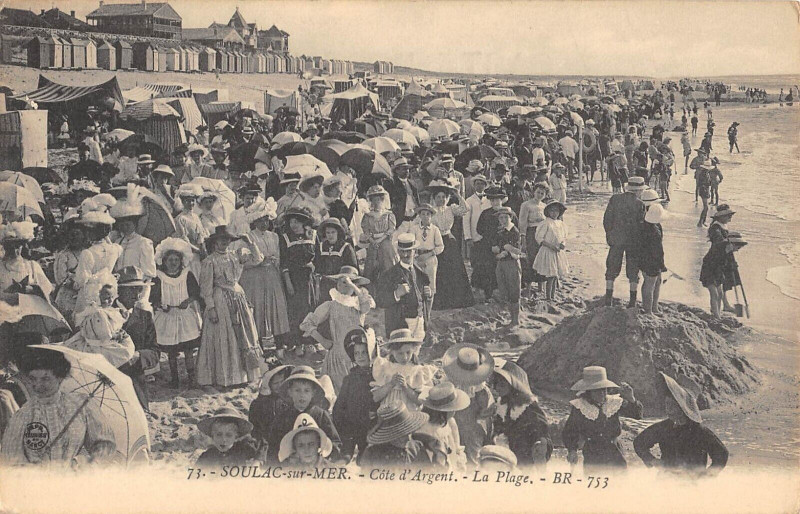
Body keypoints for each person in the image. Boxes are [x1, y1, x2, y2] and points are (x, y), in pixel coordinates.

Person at [1, 347, 116, 467]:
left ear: (60, 377)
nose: (38, 385)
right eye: (33, 379)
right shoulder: (23, 415)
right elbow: (10, 459)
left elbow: (105, 445)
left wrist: (80, 464)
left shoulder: (81, 405)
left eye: (45, 379)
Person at [196, 225, 263, 389]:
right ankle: (225, 377)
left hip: (238, 296)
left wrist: (250, 242)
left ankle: (244, 374)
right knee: (224, 336)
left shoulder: (236, 256)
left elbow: (258, 259)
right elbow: (206, 288)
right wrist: (211, 308)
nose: (224, 243)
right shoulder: (209, 261)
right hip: (220, 299)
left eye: (227, 240)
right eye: (221, 240)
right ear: (215, 242)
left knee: (244, 334)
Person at [634, 372, 728, 475]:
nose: (667, 409)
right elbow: (639, 442)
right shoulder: (664, 427)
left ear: (683, 408)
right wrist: (652, 460)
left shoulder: (699, 431)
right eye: (666, 404)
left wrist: (706, 476)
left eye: (671, 405)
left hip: (692, 483)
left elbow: (722, 454)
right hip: (666, 480)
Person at [300, 266, 375, 393]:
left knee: (359, 391)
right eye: (341, 282)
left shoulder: (358, 304)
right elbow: (306, 323)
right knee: (339, 392)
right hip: (337, 356)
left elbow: (366, 306)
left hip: (358, 354)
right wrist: (322, 340)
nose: (344, 286)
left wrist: (352, 284)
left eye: (348, 283)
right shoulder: (331, 305)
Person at [231, 198, 289, 349]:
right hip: (254, 277)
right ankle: (258, 341)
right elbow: (242, 260)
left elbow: (278, 256)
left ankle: (277, 341)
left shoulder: (274, 236)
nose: (264, 223)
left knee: (274, 305)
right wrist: (257, 262)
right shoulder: (248, 237)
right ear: (254, 222)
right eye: (260, 220)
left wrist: (273, 261)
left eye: (266, 220)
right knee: (257, 306)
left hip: (271, 275)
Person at [563, 366, 642, 472]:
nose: (602, 394)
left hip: (615, 453)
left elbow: (637, 415)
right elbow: (570, 431)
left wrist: (631, 398)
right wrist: (572, 450)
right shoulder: (580, 406)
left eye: (604, 390)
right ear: (589, 392)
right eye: (597, 391)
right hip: (592, 455)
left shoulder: (614, 402)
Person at [150, 238, 202, 388]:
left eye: (176, 260)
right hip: (167, 316)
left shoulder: (187, 274)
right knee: (171, 351)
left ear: (181, 261)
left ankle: (191, 377)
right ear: (164, 261)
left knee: (188, 349)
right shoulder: (159, 277)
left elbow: (196, 293)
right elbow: (153, 298)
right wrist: (160, 305)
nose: (173, 263)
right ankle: (175, 379)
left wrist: (188, 301)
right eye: (170, 260)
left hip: (184, 316)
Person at [266, 366, 341, 463]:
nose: (302, 395)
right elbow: (273, 447)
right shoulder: (282, 418)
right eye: (297, 390)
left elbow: (335, 443)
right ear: (290, 392)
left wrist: (322, 453)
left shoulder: (320, 415)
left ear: (313, 393)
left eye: (306, 391)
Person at [63, 270, 135, 368]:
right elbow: (104, 334)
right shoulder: (97, 314)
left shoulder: (107, 310)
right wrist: (116, 335)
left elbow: (114, 324)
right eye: (106, 298)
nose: (110, 301)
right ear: (96, 296)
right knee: (122, 352)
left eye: (111, 297)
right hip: (97, 345)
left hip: (103, 341)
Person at [490, 360, 552, 468]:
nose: (497, 388)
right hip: (509, 452)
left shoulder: (528, 407)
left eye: (502, 385)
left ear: (513, 386)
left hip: (525, 456)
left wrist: (538, 444)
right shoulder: (502, 404)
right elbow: (500, 425)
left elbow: (542, 431)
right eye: (496, 384)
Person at [442, 344, 495, 465]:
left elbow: (486, 408)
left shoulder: (479, 386)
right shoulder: (449, 381)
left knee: (473, 451)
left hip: (472, 421)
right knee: (454, 448)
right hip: (453, 417)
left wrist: (481, 415)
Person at [331, 327, 379, 463]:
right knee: (346, 452)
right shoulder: (350, 378)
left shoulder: (377, 376)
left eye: (364, 352)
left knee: (367, 457)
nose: (360, 356)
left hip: (372, 426)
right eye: (357, 353)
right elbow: (340, 406)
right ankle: (347, 453)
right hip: (353, 424)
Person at [427, 180, 474, 310]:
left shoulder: (451, 208)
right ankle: (441, 302)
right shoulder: (430, 211)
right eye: (438, 197)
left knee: (454, 270)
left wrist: (458, 194)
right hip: (436, 241)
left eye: (443, 197)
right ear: (434, 198)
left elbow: (466, 209)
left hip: (449, 240)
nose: (441, 200)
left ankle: (457, 301)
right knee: (440, 270)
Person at [375, 234, 432, 340]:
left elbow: (420, 298)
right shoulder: (389, 275)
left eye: (409, 251)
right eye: (402, 251)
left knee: (416, 352)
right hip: (400, 324)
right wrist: (396, 294)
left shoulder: (420, 273)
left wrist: (427, 294)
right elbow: (380, 300)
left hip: (419, 321)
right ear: (398, 251)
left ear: (415, 251)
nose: (405, 255)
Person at [72, 197, 123, 314]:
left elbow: (81, 281)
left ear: (91, 233)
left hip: (90, 295)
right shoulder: (115, 249)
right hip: (109, 292)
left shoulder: (88, 253)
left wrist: (73, 283)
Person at [278, 208, 317, 358]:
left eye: (297, 221)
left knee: (310, 308)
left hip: (310, 279)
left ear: (303, 222)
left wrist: (314, 267)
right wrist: (288, 282)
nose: (294, 225)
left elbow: (317, 257)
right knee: (295, 309)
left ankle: (309, 341)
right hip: (294, 278)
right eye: (291, 222)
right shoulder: (286, 238)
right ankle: (297, 342)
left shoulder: (312, 235)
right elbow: (284, 262)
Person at [602, 176, 646, 307]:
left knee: (611, 268)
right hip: (633, 242)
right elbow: (641, 226)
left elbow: (606, 220)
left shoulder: (615, 199)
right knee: (633, 271)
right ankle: (632, 301)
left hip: (616, 239)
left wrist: (610, 235)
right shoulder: (640, 204)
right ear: (638, 190)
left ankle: (608, 298)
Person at [359, 400, 435, 469]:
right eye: (402, 435)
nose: (408, 439)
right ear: (389, 435)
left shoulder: (416, 448)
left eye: (409, 432)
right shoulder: (372, 454)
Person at [371, 328, 434, 410]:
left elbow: (420, 401)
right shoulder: (384, 367)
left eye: (408, 352)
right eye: (399, 353)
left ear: (413, 350)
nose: (404, 357)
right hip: (389, 414)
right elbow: (375, 397)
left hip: (410, 414)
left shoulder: (418, 371)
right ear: (392, 352)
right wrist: (391, 384)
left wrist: (405, 386)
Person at [417, 381, 469, 470]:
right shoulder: (435, 433)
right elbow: (439, 460)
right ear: (446, 412)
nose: (455, 411)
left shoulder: (447, 423)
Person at [110, 184, 156, 281]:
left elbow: (149, 272)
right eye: (122, 225)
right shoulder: (117, 242)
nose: (124, 227)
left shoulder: (143, 242)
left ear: (135, 224)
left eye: (128, 224)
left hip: (137, 285)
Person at [402, 203, 444, 308]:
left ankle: (428, 313)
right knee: (416, 283)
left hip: (430, 259)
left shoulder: (435, 230)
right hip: (417, 259)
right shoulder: (415, 228)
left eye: (428, 214)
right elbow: (411, 244)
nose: (425, 216)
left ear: (431, 216)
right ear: (419, 215)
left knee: (430, 286)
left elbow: (440, 246)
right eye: (423, 214)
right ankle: (418, 310)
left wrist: (430, 254)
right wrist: (415, 256)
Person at [472, 186, 509, 302]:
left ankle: (503, 292)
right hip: (488, 245)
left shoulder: (508, 212)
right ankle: (488, 293)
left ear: (502, 200)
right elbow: (479, 229)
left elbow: (513, 229)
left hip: (504, 244)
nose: (495, 202)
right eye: (492, 200)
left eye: (497, 200)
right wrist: (491, 243)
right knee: (486, 267)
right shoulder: (485, 213)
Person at [700, 205, 737, 318]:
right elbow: (718, 243)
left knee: (719, 292)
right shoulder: (715, 229)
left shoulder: (722, 226)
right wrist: (728, 245)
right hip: (711, 263)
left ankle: (717, 312)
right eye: (728, 216)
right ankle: (716, 315)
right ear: (721, 217)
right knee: (714, 292)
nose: (730, 218)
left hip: (719, 262)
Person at [0, 221, 53, 299]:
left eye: (17, 246)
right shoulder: (1, 268)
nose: (14, 251)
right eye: (10, 247)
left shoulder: (32, 266)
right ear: (5, 247)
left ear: (22, 246)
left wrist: (33, 289)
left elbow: (47, 288)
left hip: (29, 308)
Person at [360, 185, 398, 286]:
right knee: (371, 267)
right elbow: (366, 231)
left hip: (385, 242)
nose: (376, 202)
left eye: (378, 199)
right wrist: (373, 241)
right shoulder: (368, 216)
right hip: (373, 243)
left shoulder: (388, 214)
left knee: (388, 266)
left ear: (382, 199)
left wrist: (380, 239)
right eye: (373, 199)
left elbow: (391, 229)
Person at [492, 206, 524, 325]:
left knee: (514, 290)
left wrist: (505, 250)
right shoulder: (500, 231)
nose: (503, 220)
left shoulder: (514, 231)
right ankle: (511, 317)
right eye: (501, 218)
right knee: (504, 288)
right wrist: (501, 250)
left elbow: (515, 250)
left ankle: (515, 319)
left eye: (506, 217)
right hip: (501, 262)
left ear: (510, 218)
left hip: (512, 262)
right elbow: (495, 247)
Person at [249, 365, 293, 450]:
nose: (280, 385)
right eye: (276, 383)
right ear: (268, 384)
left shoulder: (287, 399)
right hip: (266, 440)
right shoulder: (259, 404)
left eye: (282, 381)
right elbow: (255, 427)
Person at [637, 192, 667, 315]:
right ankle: (649, 310)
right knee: (650, 281)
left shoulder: (648, 221)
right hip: (651, 257)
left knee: (656, 281)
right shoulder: (650, 225)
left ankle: (653, 308)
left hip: (650, 256)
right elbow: (653, 247)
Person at [314, 218, 358, 304]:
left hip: (340, 285)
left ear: (338, 232)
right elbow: (317, 265)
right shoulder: (321, 246)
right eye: (328, 233)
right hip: (325, 285)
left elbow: (352, 269)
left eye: (333, 232)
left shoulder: (346, 247)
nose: (330, 235)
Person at [534, 200, 570, 302]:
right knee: (551, 275)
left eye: (556, 211)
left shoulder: (561, 223)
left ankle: (553, 296)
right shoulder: (545, 223)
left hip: (558, 252)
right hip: (548, 251)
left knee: (555, 275)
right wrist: (551, 246)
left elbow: (564, 236)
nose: (554, 213)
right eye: (552, 211)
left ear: (559, 212)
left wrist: (563, 244)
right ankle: (548, 296)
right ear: (548, 212)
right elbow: (539, 238)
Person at [519, 183, 549, 298]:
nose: (540, 195)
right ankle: (528, 287)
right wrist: (523, 237)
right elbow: (522, 222)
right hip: (530, 233)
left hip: (542, 234)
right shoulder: (526, 205)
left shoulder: (544, 206)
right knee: (530, 259)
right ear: (533, 192)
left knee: (541, 258)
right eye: (538, 192)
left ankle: (541, 286)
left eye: (542, 193)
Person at [172, 183, 209, 278]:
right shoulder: (180, 219)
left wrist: (203, 248)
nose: (191, 203)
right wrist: (198, 250)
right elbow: (183, 240)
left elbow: (201, 235)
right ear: (183, 202)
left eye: (193, 201)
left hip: (199, 255)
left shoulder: (196, 217)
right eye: (188, 201)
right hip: (188, 255)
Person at [463, 174, 491, 262]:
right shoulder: (469, 200)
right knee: (476, 260)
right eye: (477, 184)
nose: (479, 186)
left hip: (487, 235)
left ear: (485, 186)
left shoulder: (489, 199)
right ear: (474, 186)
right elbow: (466, 220)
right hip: (474, 235)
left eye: (482, 184)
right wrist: (468, 237)